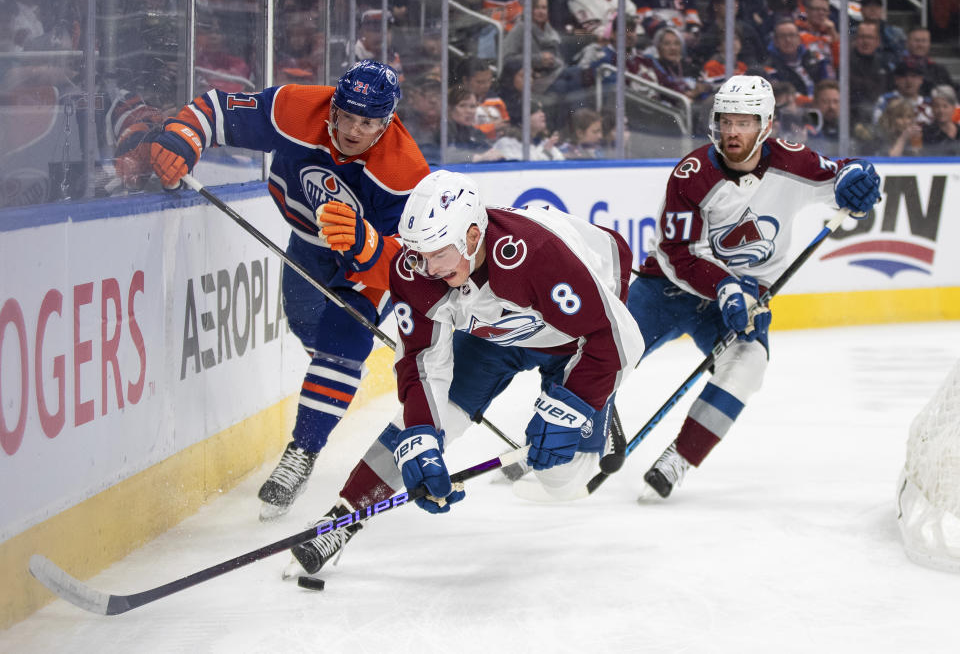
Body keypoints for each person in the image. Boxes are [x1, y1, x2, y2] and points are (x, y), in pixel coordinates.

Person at [287, 169, 645, 574]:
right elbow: (422, 363)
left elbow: (615, 338)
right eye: (419, 253)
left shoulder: (538, 255)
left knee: (561, 481)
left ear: (473, 236)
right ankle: (344, 516)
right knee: (414, 424)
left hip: (573, 341)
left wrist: (577, 403)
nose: (428, 268)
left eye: (439, 253)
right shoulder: (416, 268)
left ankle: (601, 398)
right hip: (497, 337)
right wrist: (421, 438)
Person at [148, 60, 430, 520]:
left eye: (369, 123)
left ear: (388, 122)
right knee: (304, 324)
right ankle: (335, 372)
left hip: (366, 262)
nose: (354, 132)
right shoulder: (296, 107)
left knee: (343, 342)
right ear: (333, 107)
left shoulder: (404, 172)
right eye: (347, 117)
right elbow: (215, 109)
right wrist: (184, 137)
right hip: (307, 243)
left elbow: (407, 259)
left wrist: (363, 245)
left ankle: (303, 451)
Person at [628, 74, 881, 499]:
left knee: (749, 364)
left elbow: (842, 180)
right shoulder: (693, 174)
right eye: (726, 121)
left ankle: (680, 457)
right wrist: (725, 286)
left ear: (765, 125)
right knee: (606, 352)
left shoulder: (792, 162)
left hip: (743, 297)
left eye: (743, 122)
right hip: (670, 287)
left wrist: (858, 181)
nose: (732, 132)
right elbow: (677, 254)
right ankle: (553, 440)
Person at [922, 85, 960, 156]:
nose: (941, 111)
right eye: (936, 106)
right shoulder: (926, 133)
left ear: (953, 108)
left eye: (945, 106)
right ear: (932, 108)